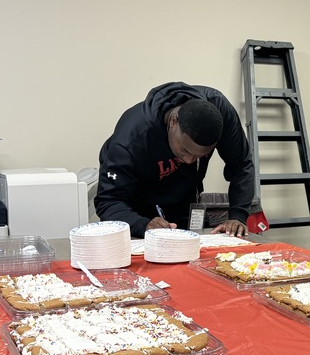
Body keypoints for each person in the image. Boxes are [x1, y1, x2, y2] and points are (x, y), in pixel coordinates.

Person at [95, 82, 255, 238]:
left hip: (186, 202)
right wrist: (142, 225)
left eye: (199, 156)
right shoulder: (129, 141)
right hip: (140, 213)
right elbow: (109, 201)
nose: (189, 161)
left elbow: (241, 164)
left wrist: (238, 215)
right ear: (173, 122)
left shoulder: (218, 112)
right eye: (185, 150)